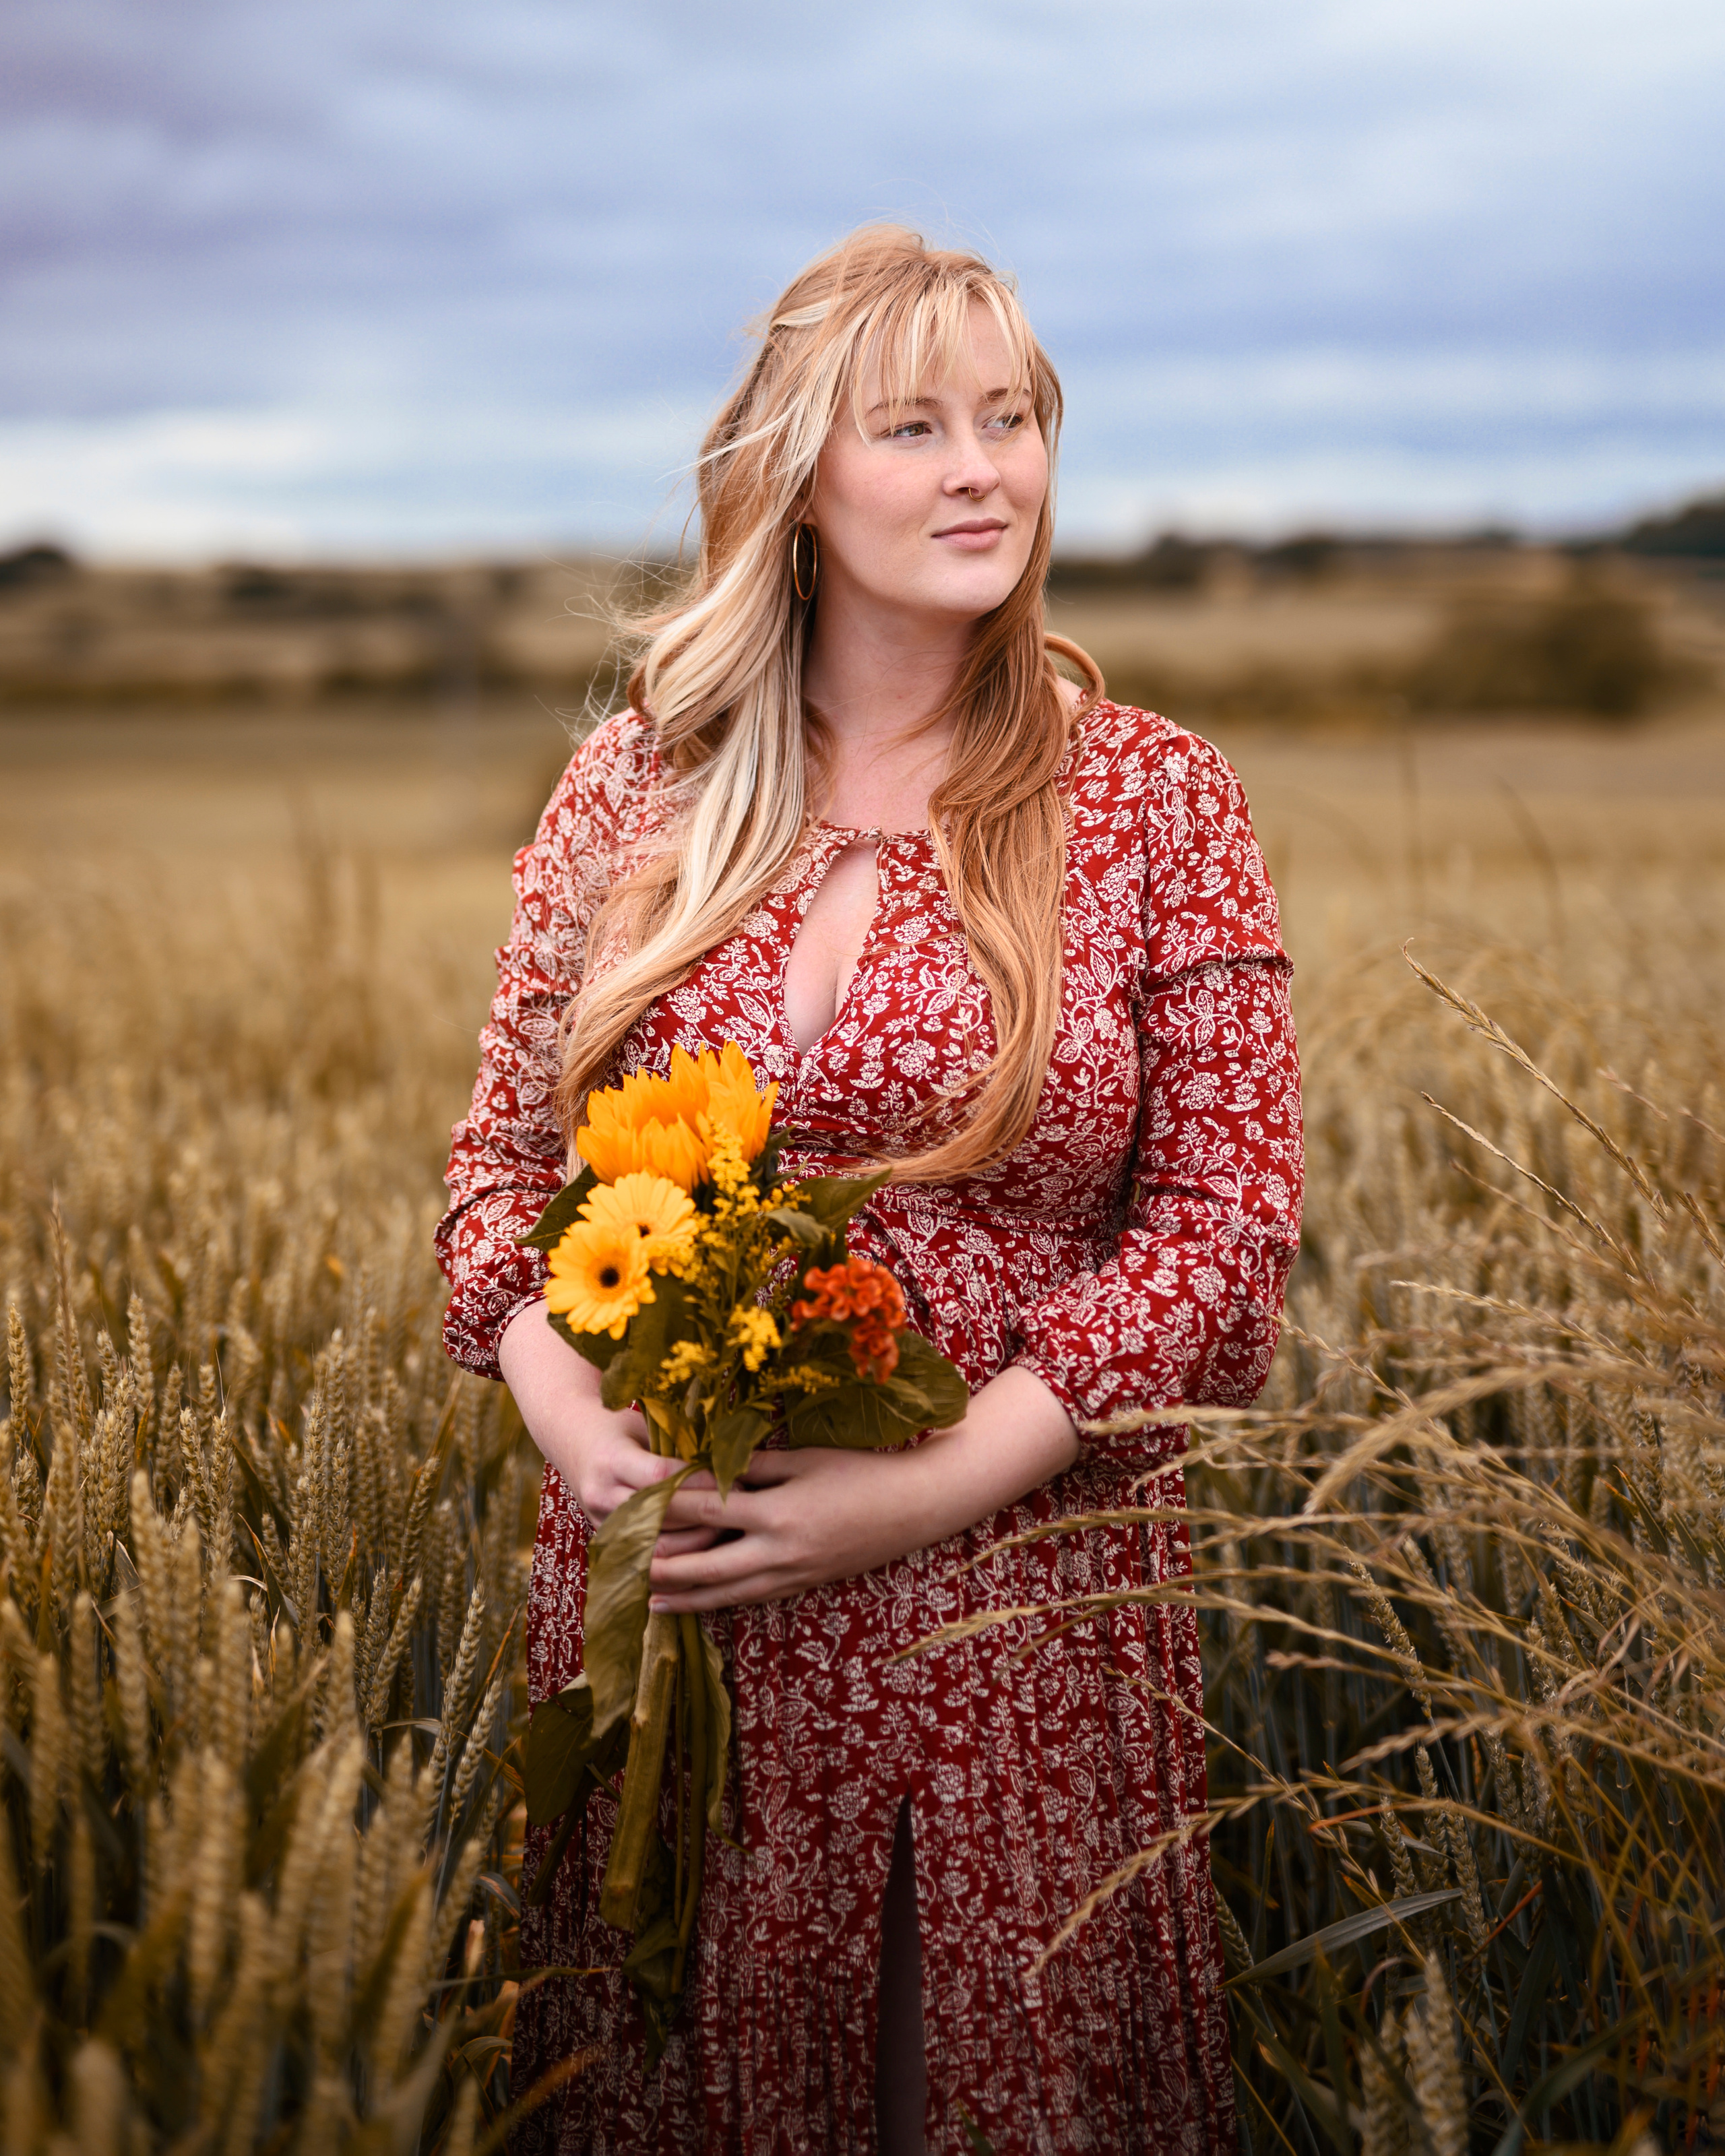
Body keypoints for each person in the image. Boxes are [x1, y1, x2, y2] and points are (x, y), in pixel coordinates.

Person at [436, 226, 1303, 2156]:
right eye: (914, 425)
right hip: (678, 1605)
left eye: (1015, 418)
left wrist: (922, 1489)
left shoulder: (1157, 800)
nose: (981, 467)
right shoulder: (630, 798)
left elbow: (1229, 1233)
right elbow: (499, 1189)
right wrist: (586, 1445)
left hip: (1012, 1613)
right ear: (799, 485)